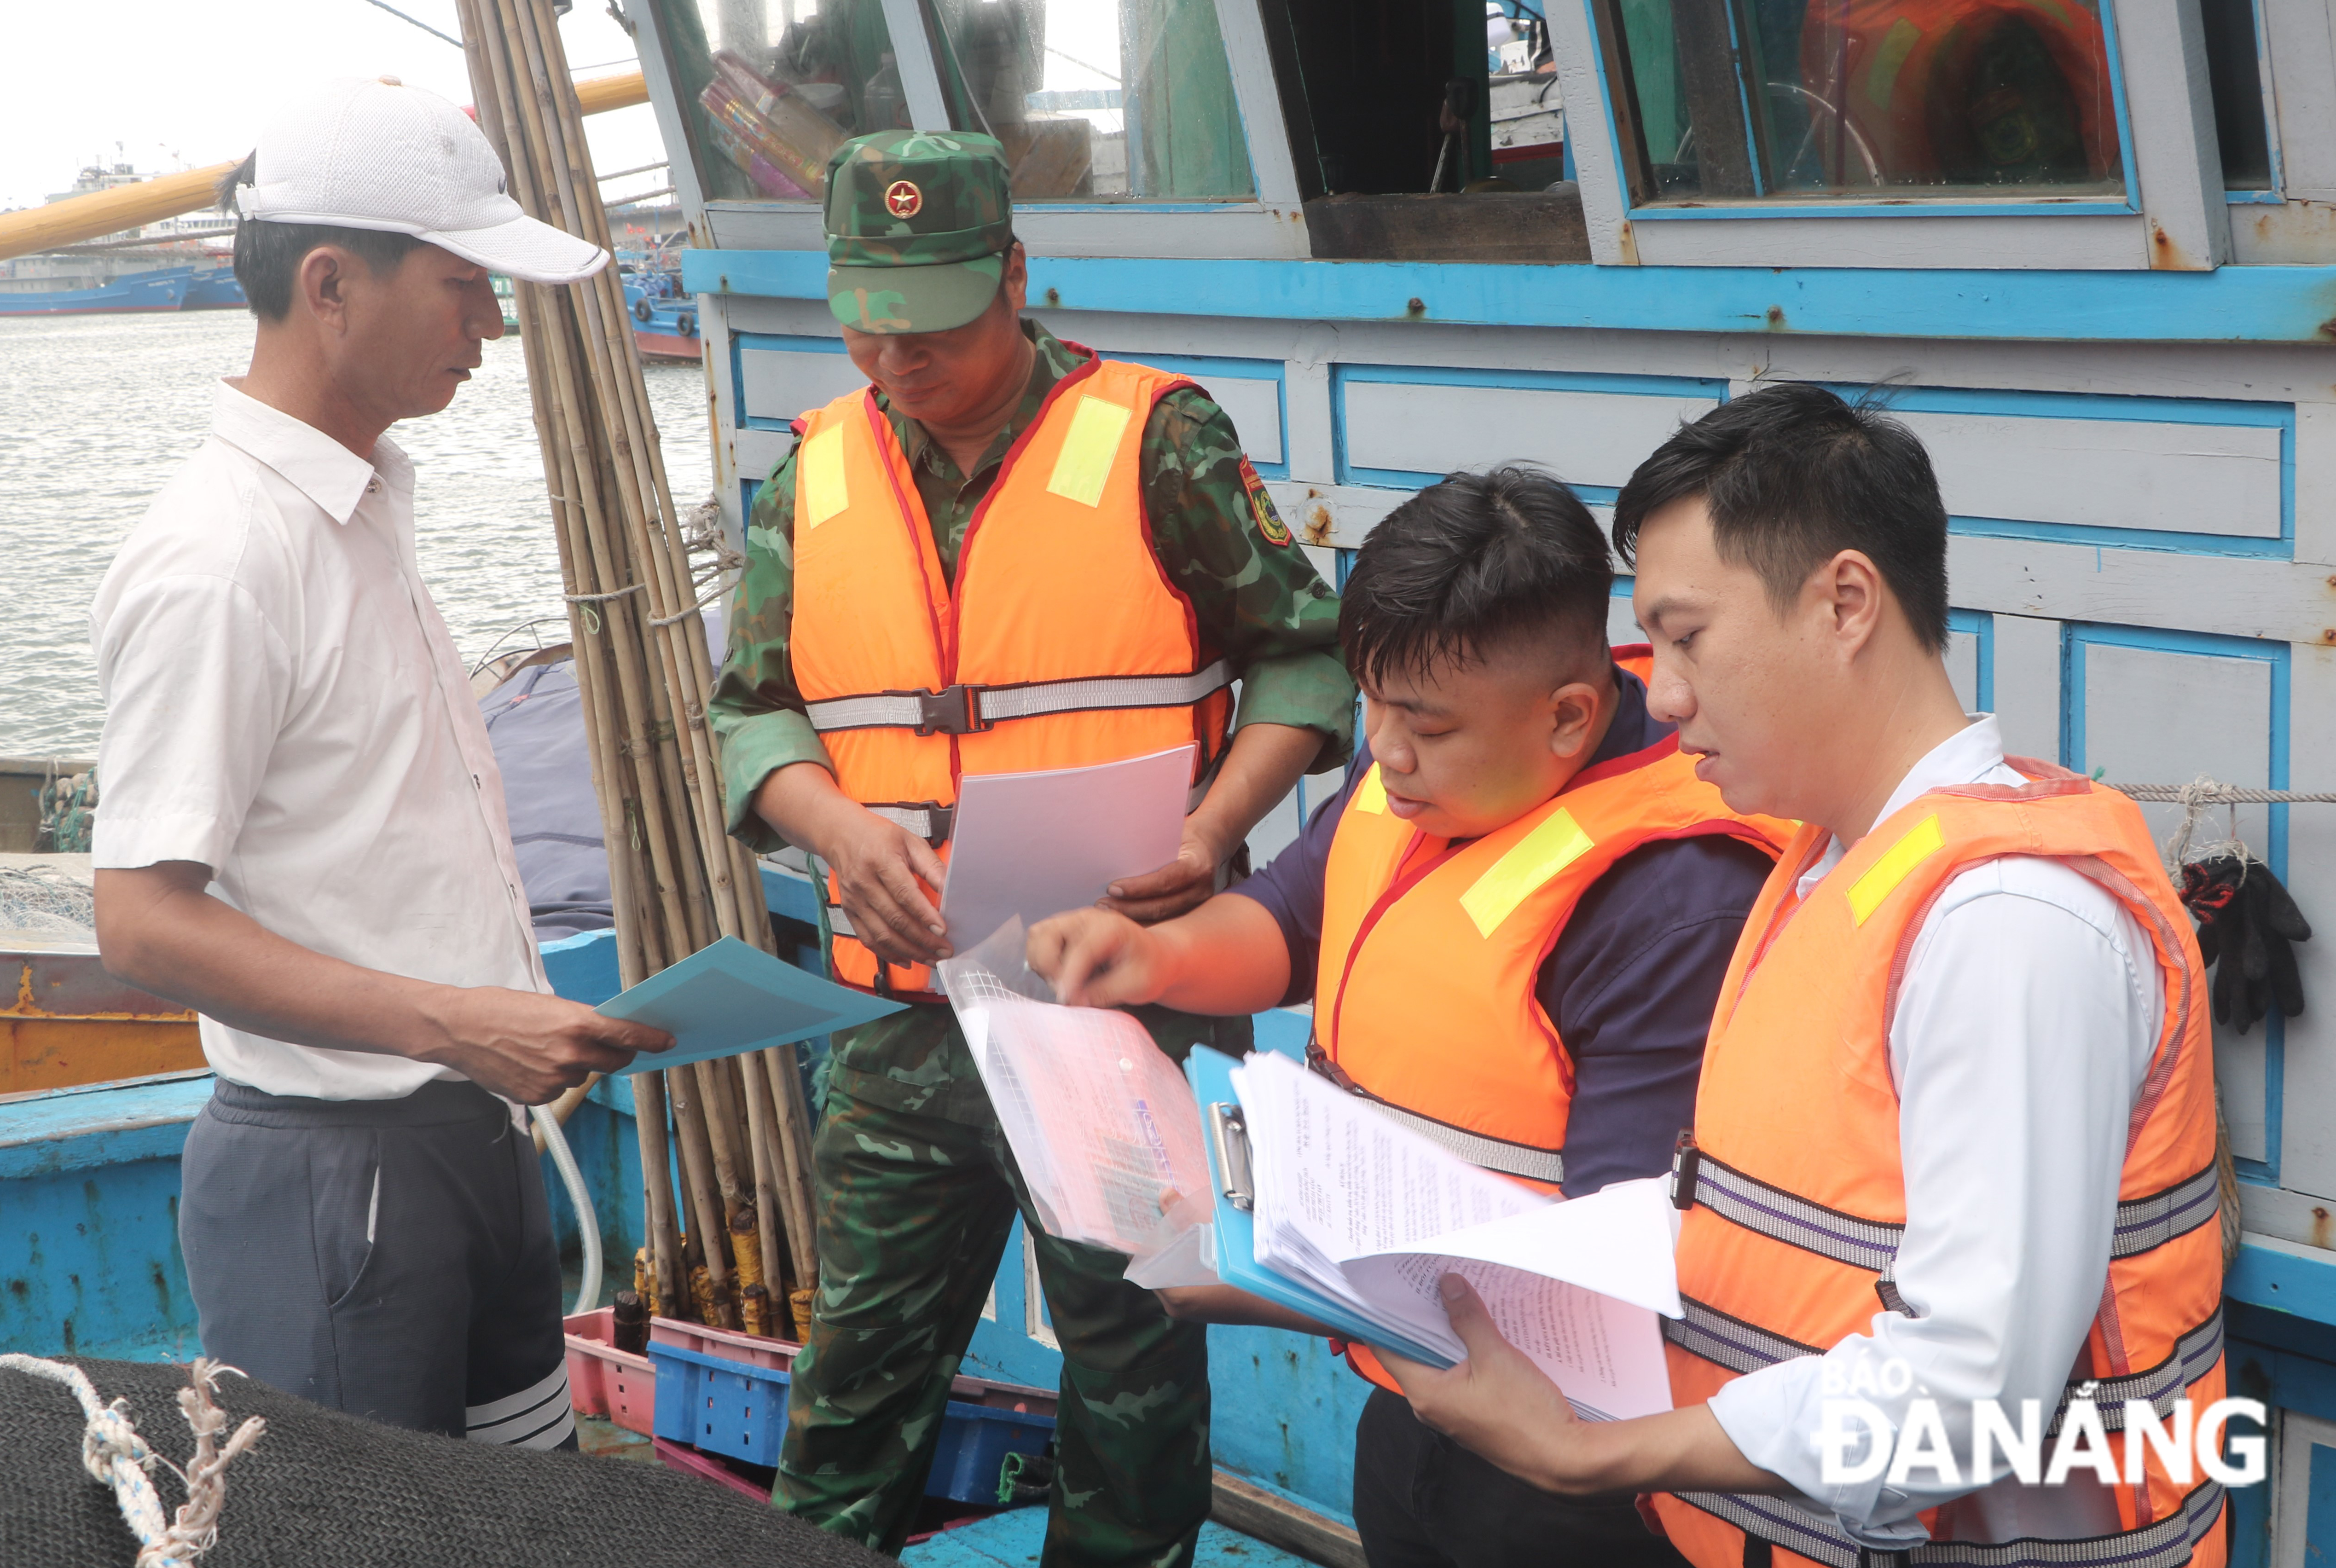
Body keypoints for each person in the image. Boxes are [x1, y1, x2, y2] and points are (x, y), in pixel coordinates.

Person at [1377, 385, 2227, 1568]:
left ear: (1844, 604)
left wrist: (1594, 1457)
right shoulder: (1829, 862)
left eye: (1688, 636)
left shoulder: (2009, 924)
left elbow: (1970, 1397)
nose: (1660, 690)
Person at [707, 129, 1354, 1567]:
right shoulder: (807, 477)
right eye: (868, 324)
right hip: (902, 1024)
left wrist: (1211, 829)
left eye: (935, 324)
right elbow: (748, 717)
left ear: (1014, 273)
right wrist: (832, 826)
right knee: (852, 1397)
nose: (898, 360)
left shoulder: (1158, 439)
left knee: (1131, 1387)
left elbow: (1306, 665)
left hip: (1119, 1014)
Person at [1027, 468, 1789, 1568]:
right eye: (1371, 703)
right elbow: (1292, 918)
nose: (1382, 751)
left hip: (1568, 1473)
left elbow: (1612, 1278)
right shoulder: (1422, 777)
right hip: (1411, 1412)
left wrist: (1259, 1283)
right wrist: (1151, 957)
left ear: (1569, 716)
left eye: (1422, 725)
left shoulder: (1671, 904)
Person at [89, 77, 670, 1448]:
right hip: (335, 1179)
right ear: (332, 284)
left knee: (515, 1522)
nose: (491, 323)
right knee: (368, 1535)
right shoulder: (223, 555)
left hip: (465, 1133)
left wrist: (482, 1034)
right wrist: (454, 1022)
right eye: (466, 284)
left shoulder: (359, 502)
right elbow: (141, 920)